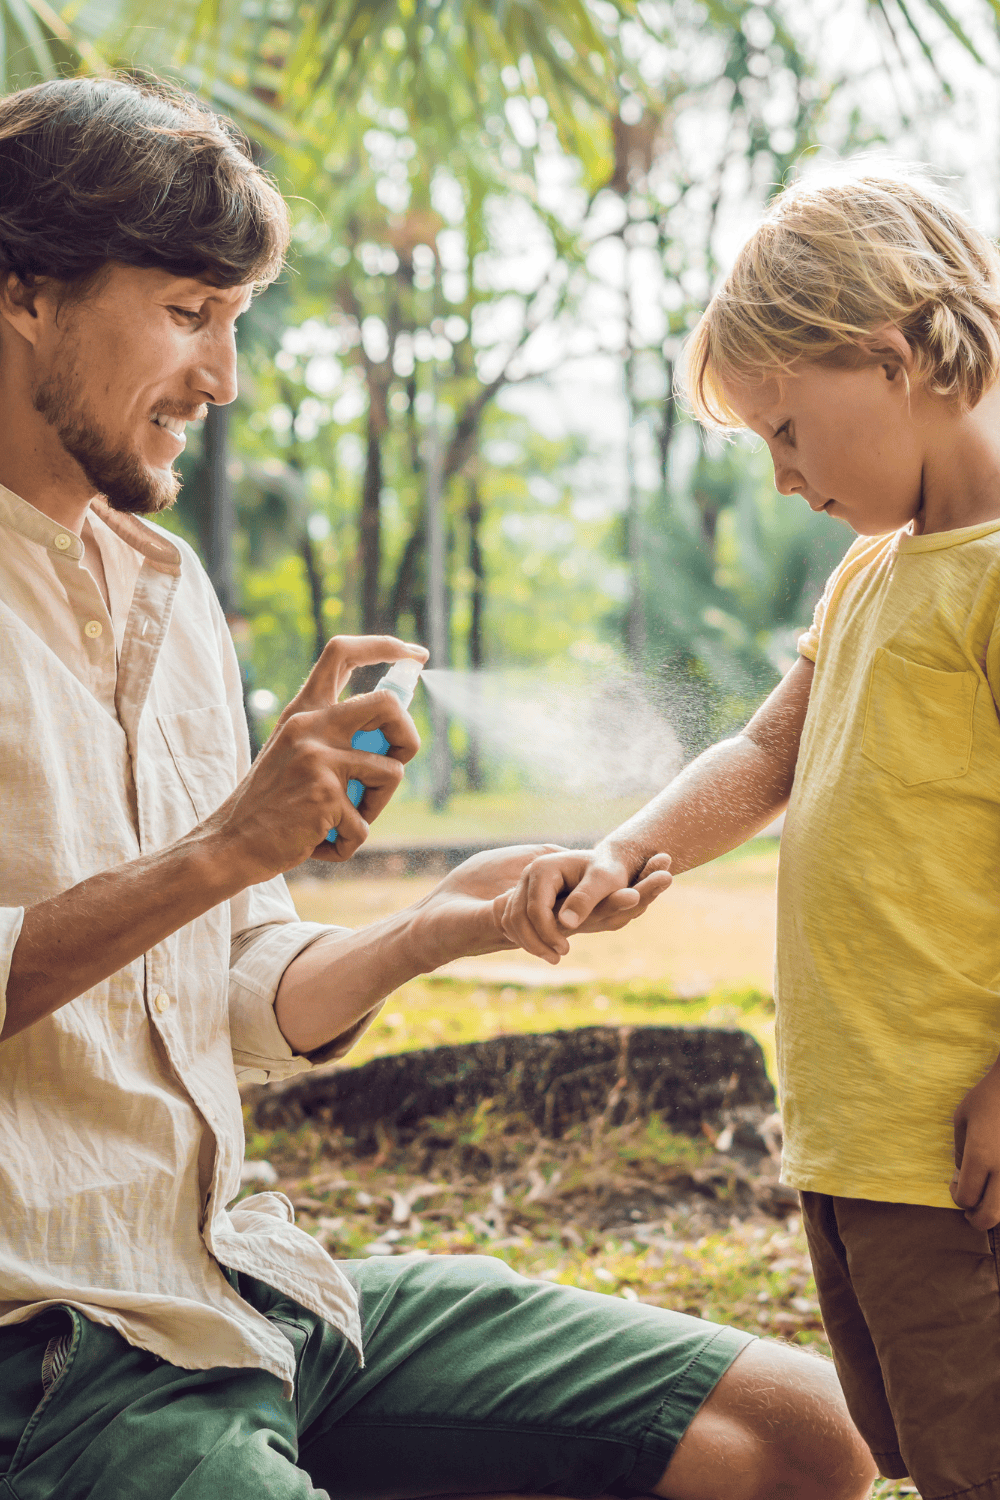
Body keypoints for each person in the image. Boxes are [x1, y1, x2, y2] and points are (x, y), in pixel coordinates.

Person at [0, 74, 875, 1500]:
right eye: (184, 313)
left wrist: (433, 930)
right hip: (54, 1343)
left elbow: (230, 990)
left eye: (235, 321)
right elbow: (195, 890)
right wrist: (222, 853)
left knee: (795, 1441)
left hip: (246, 1282)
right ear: (25, 289)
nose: (222, 378)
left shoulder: (161, 586)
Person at [502, 158, 1000, 1500]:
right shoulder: (872, 572)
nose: (781, 476)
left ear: (888, 356)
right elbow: (768, 747)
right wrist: (628, 850)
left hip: (967, 1154)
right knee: (921, 1448)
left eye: (786, 428)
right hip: (860, 1143)